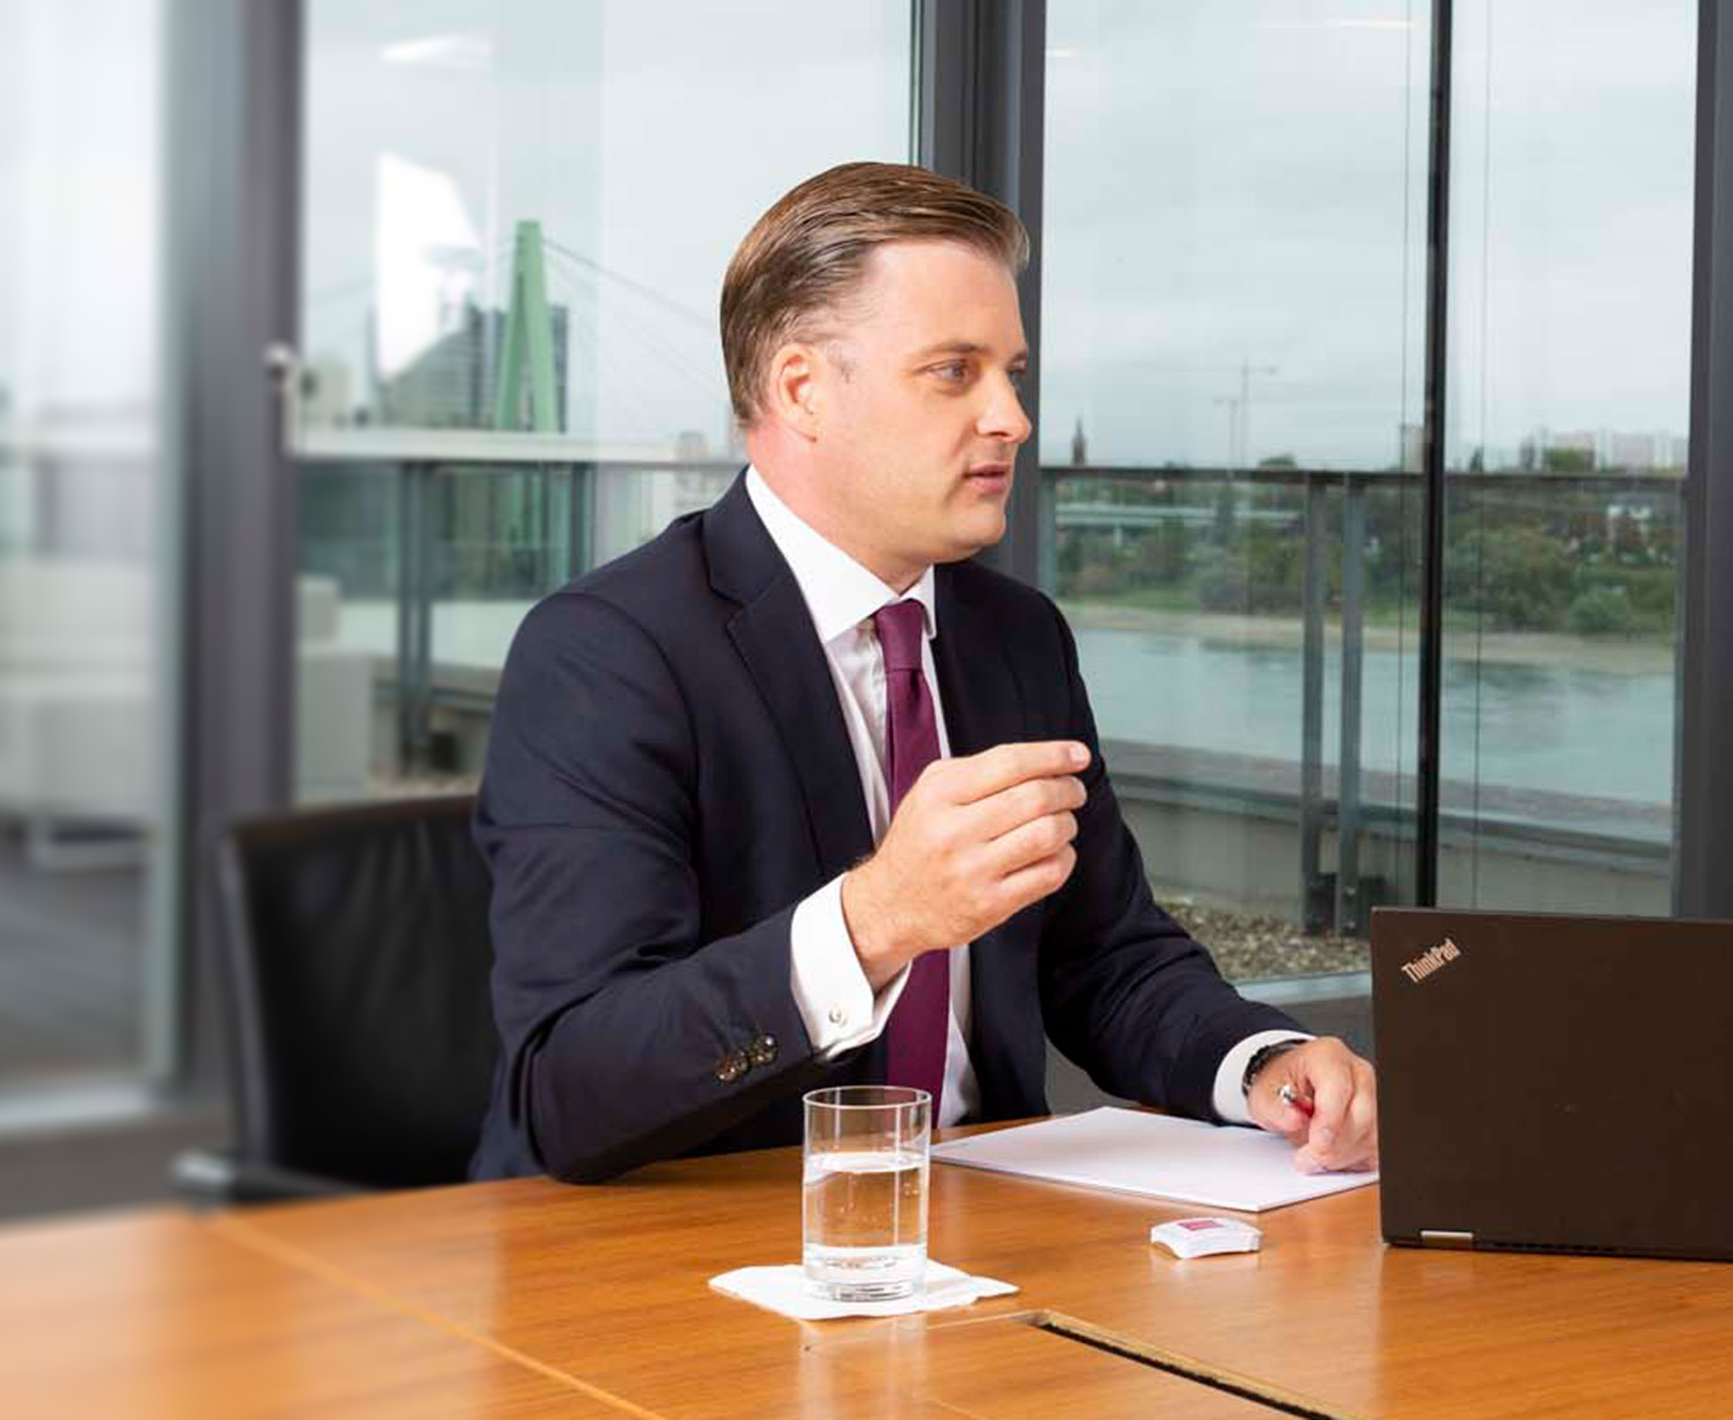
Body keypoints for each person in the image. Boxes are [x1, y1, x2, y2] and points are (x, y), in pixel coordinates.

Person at [468, 161, 1380, 1184]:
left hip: (978, 1236)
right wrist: (875, 922)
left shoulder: (1018, 636)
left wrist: (1262, 1063)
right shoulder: (606, 652)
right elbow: (568, 1088)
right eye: (955, 371)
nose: (1012, 420)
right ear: (803, 390)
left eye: (1013, 374)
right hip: (681, 1260)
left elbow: (1104, 958)